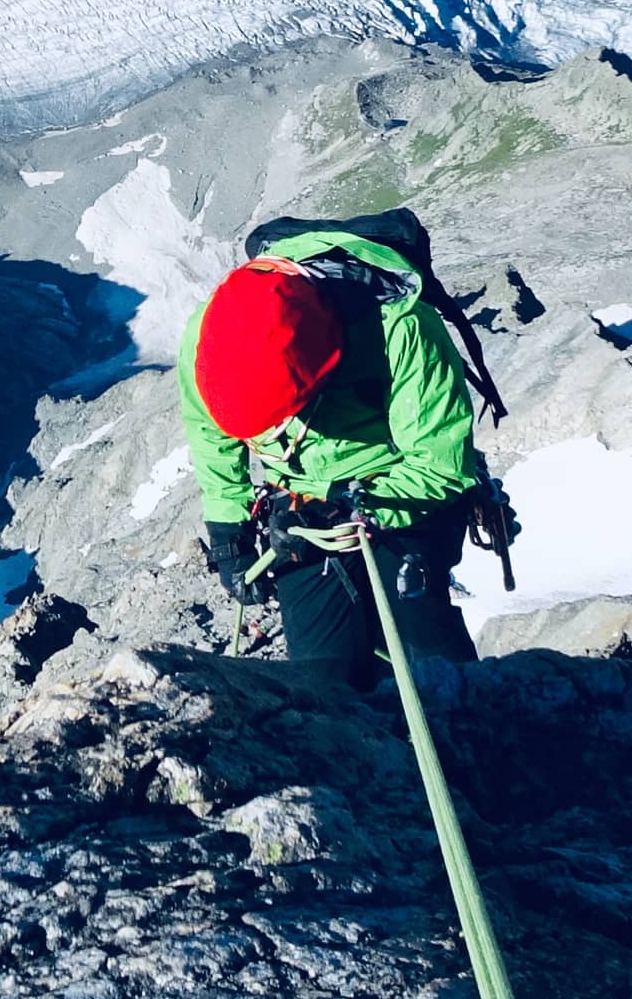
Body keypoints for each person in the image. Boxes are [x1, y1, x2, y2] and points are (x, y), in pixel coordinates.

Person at [178, 219, 490, 689]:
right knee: (322, 682)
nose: (276, 437)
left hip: (406, 498)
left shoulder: (399, 327)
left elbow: (440, 462)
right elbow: (210, 433)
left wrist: (355, 508)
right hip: (300, 511)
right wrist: (229, 533)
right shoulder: (209, 337)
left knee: (434, 672)